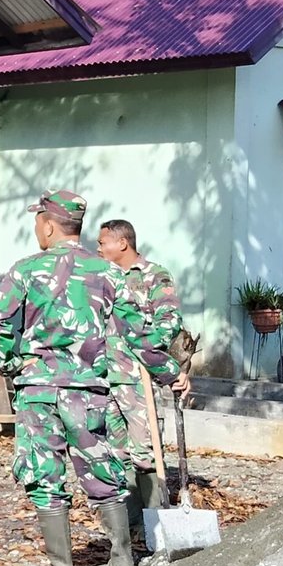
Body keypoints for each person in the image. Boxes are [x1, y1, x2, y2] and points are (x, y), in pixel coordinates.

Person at [0, 191, 145, 566]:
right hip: (88, 391)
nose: (37, 228)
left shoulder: (26, 270)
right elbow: (138, 331)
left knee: (44, 475)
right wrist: (167, 371)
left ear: (50, 226)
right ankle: (123, 561)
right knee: (103, 468)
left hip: (39, 390)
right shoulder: (108, 272)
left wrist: (12, 364)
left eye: (38, 220)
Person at [97, 219, 186, 525]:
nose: (98, 248)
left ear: (122, 243)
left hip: (137, 378)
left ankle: (154, 520)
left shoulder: (153, 276)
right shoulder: (102, 277)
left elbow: (169, 321)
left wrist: (148, 350)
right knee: (115, 450)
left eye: (102, 242)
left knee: (144, 450)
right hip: (105, 378)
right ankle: (128, 521)